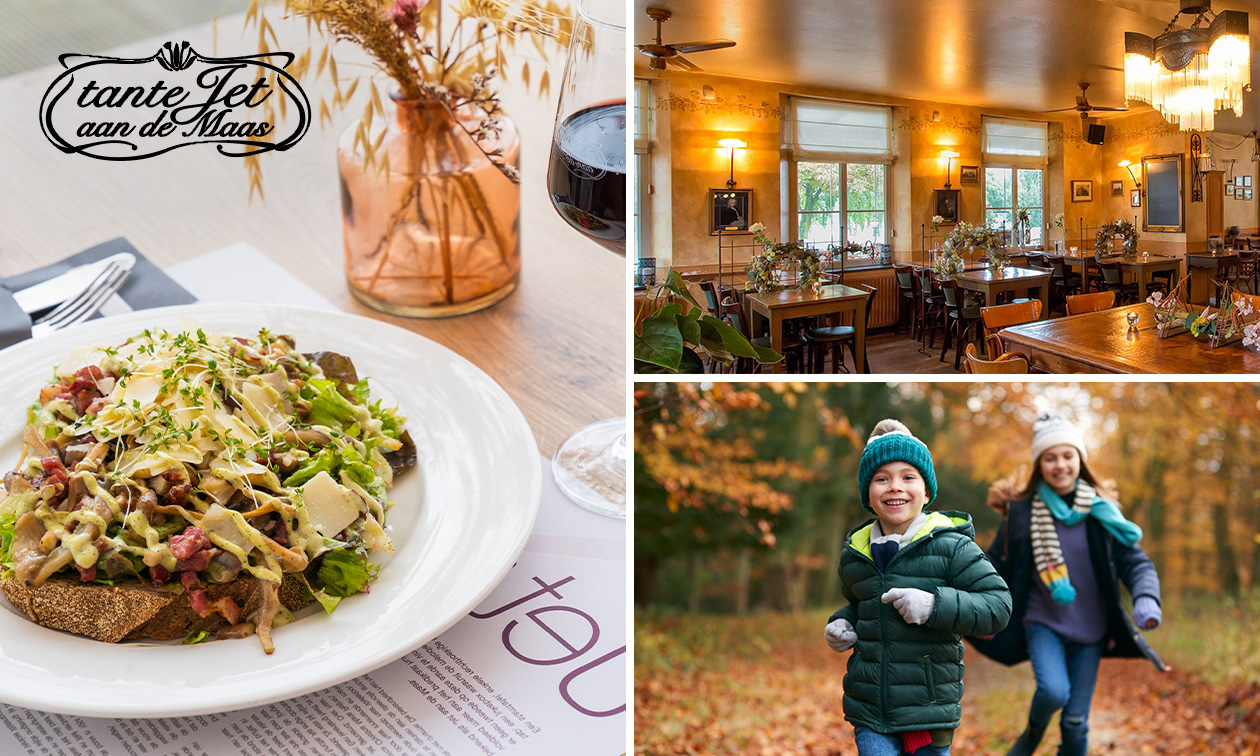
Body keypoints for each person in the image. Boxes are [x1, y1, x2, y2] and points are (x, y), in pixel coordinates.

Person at [969, 411, 1166, 756]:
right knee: (1053, 692)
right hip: (1042, 622)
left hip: (1091, 631)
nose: (1060, 465)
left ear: (1079, 459)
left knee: (1076, 721)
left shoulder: (1103, 513)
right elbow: (990, 568)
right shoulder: (1021, 514)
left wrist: (1146, 597)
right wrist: (983, 611)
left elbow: (1136, 562)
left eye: (1067, 455)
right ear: (1039, 465)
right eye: (1050, 457)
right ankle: (1032, 732)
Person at [825, 419, 1012, 756]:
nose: (895, 486)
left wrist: (933, 606)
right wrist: (842, 623)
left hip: (928, 709)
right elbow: (859, 604)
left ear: (926, 491)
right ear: (867, 493)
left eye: (908, 477)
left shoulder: (952, 547)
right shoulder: (854, 554)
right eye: (881, 478)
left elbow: (998, 607)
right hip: (871, 708)